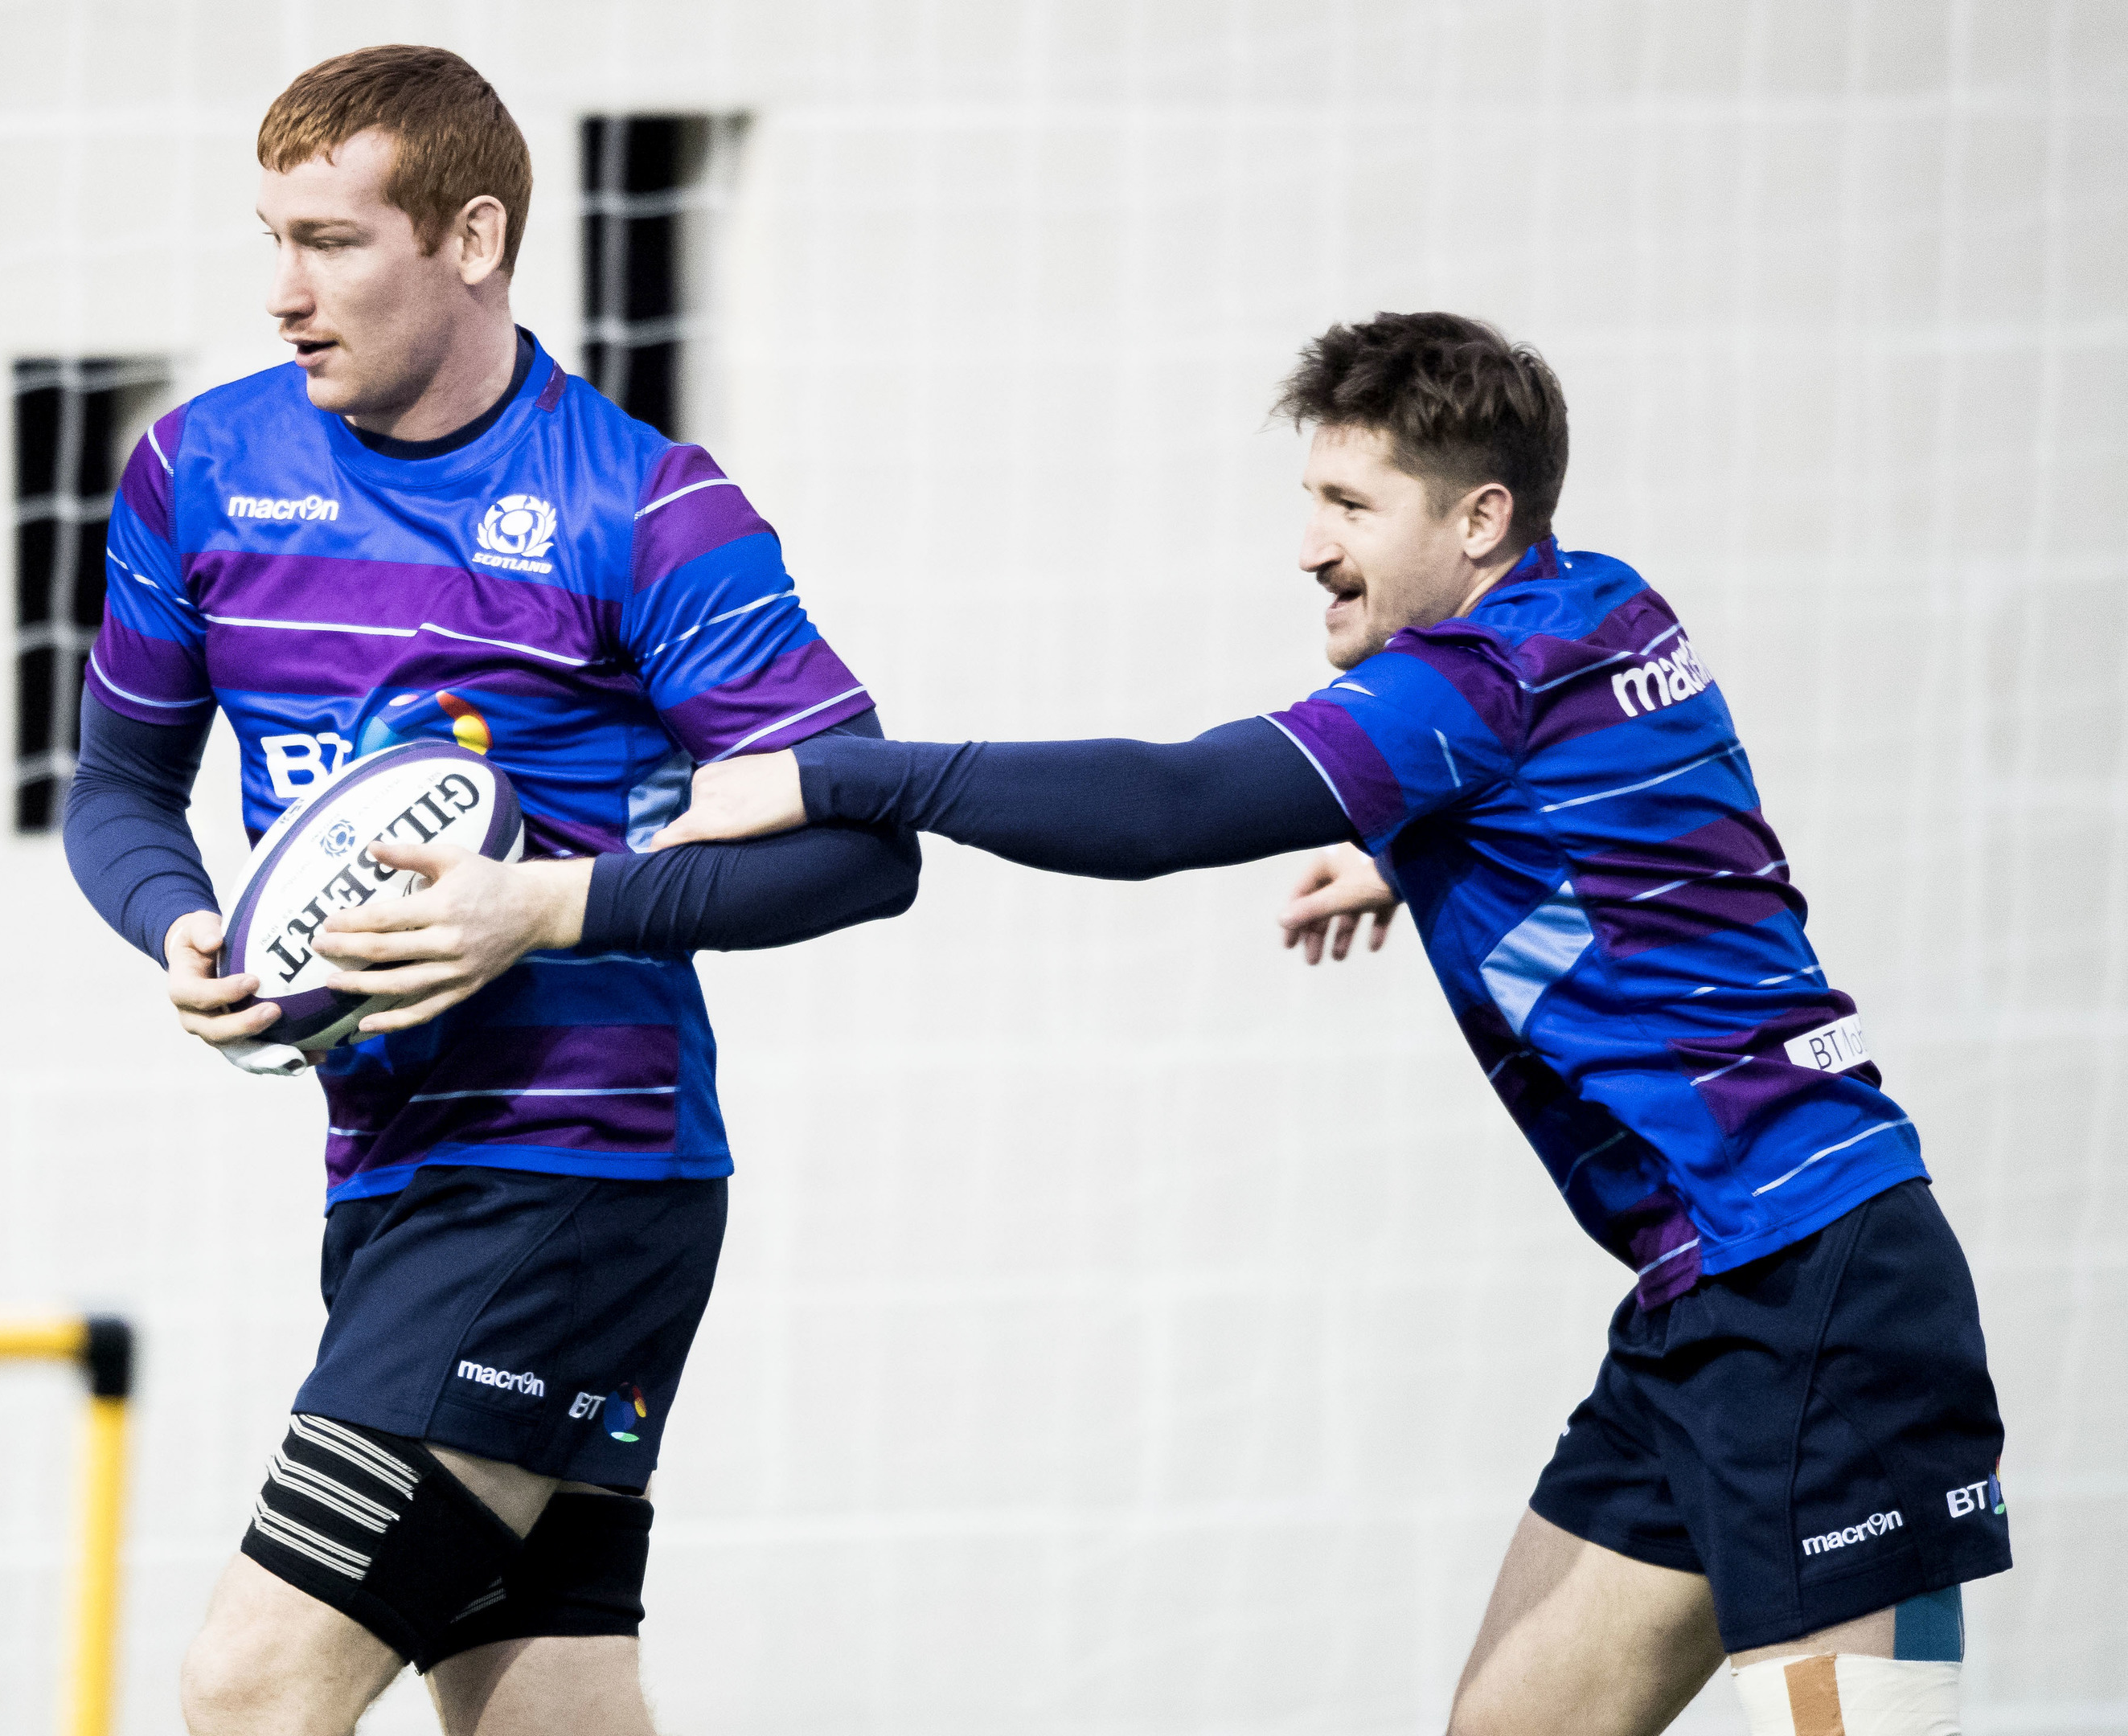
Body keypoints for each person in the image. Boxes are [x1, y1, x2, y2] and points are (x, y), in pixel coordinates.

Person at [633, 312, 2008, 1736]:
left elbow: (1172, 806)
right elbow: (1625, 816)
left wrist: (843, 779)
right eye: (1310, 498)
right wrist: (1412, 851)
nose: (1308, 545)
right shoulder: (1599, 606)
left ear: (1480, 520)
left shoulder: (1481, 683)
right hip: (1700, 1300)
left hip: (1819, 1282)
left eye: (1350, 506)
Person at [61, 44, 916, 1736]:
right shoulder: (200, 471)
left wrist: (547, 906)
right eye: (270, 237)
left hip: (572, 1179)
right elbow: (117, 787)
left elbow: (860, 844)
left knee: (249, 1687)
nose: (283, 292)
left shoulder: (645, 509)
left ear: (469, 238)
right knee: (547, 1709)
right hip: (388, 1169)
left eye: (331, 242)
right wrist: (179, 921)